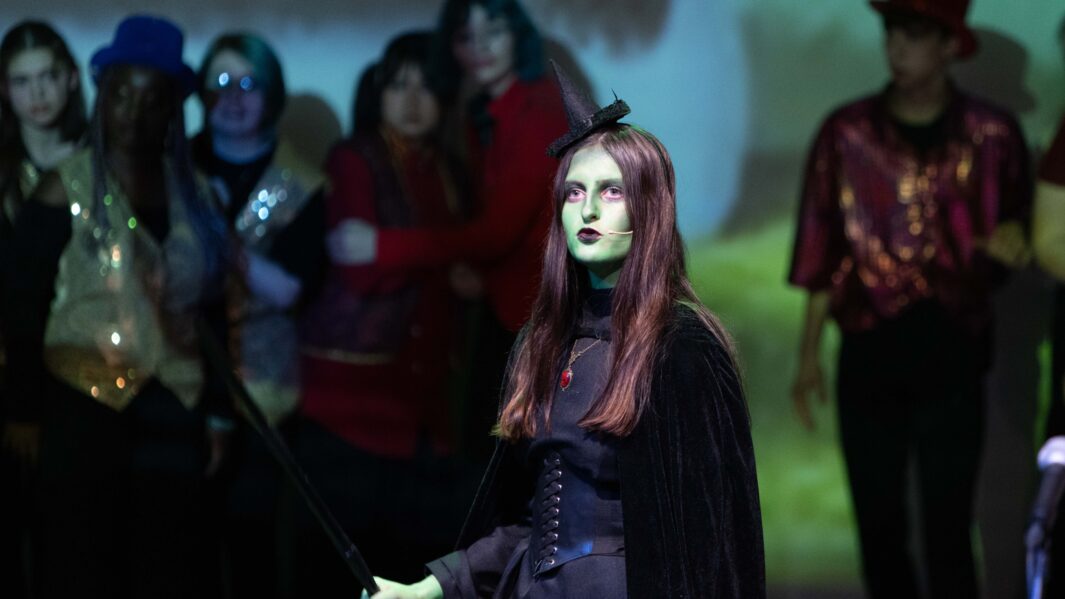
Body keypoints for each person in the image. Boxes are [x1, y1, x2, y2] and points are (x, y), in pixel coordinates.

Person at [365, 63, 765, 599]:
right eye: (574, 193)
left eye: (612, 192)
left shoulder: (680, 350)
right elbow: (528, 524)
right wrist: (426, 590)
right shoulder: (544, 341)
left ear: (649, 208)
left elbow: (713, 537)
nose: (589, 209)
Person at [788, 1, 1032, 597]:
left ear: (950, 46)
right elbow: (823, 245)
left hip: (954, 352)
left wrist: (1012, 244)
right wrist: (808, 354)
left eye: (915, 34)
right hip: (871, 352)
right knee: (880, 529)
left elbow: (1022, 231)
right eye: (892, 31)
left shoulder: (993, 135)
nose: (897, 47)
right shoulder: (846, 134)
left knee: (949, 530)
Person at [2, 15, 232, 599]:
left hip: (172, 406)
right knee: (81, 563)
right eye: (122, 94)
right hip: (80, 407)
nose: (134, 111)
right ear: (102, 96)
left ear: (173, 108)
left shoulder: (194, 193)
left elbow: (214, 311)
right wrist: (24, 412)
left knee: (166, 563)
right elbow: (21, 307)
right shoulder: (63, 186)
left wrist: (218, 412)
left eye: (152, 99)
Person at [328, 0, 568, 459]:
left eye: (493, 32)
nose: (479, 48)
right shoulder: (480, 116)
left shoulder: (536, 112)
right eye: (465, 37)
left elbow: (495, 233)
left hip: (535, 319)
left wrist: (382, 246)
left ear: (518, 35)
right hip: (491, 322)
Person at [291, 31, 477, 596]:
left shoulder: (447, 167)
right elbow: (359, 267)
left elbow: (452, 262)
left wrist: (394, 247)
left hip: (422, 415)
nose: (412, 99)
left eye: (425, 86)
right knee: (339, 576)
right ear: (378, 92)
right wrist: (453, 248)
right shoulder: (355, 158)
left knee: (410, 579)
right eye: (398, 85)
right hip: (347, 413)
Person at [191, 32, 324, 598]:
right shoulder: (176, 163)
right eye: (221, 82)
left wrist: (222, 238)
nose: (234, 96)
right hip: (178, 374)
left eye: (249, 83)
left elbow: (289, 290)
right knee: (183, 537)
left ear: (271, 95)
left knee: (251, 539)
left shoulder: (302, 179)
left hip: (265, 388)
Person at [0, 20, 87, 599]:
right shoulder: (5, 171)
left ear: (71, 78)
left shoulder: (98, 164)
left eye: (48, 77)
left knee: (72, 546)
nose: (37, 95)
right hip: (8, 375)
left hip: (83, 380)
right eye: (21, 81)